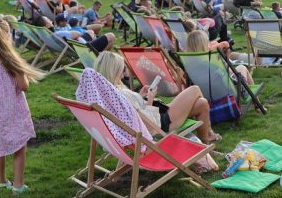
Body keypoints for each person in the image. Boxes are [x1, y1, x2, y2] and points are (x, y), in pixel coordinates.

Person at [93, 51, 221, 143]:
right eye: (122, 69)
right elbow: (147, 122)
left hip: (157, 116)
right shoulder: (120, 93)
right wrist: (150, 98)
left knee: (202, 103)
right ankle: (209, 133)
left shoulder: (109, 92)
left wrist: (139, 96)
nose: (123, 72)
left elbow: (133, 112)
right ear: (114, 71)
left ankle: (206, 140)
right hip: (159, 123)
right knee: (194, 89)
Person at [0, 19, 43, 194]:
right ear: (7, 36)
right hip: (12, 109)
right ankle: (18, 185)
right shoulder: (10, 60)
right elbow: (23, 86)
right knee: (19, 145)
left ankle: (2, 181)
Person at [185, 29, 252, 83]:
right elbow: (227, 71)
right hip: (226, 90)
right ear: (204, 44)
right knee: (242, 67)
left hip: (204, 91)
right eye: (207, 41)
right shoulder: (210, 58)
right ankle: (248, 93)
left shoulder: (187, 62)